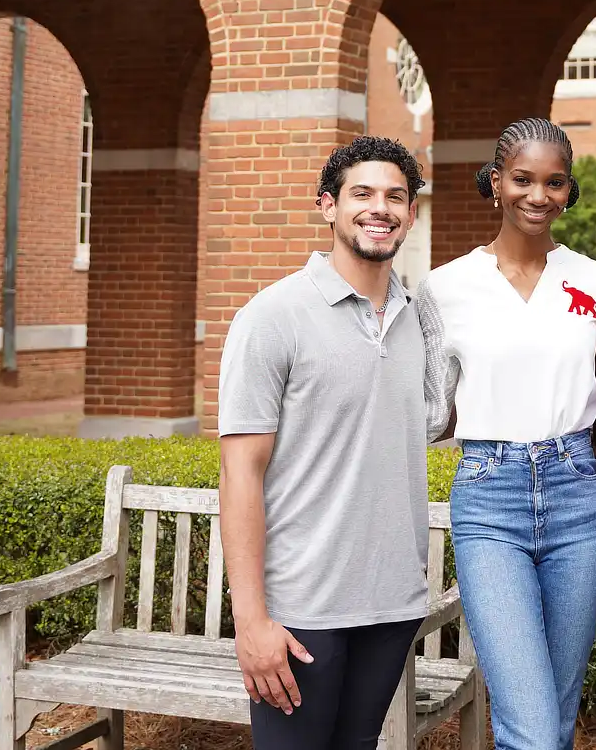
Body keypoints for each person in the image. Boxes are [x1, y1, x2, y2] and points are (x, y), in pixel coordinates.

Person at [216, 136, 450, 750]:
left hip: (390, 603)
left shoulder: (418, 318)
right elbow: (240, 470)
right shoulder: (272, 317)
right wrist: (252, 620)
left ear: (412, 213)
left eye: (397, 196)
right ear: (328, 206)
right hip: (301, 610)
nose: (381, 208)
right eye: (363, 194)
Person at [415, 117, 596, 750]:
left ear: (568, 190)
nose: (538, 195)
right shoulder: (443, 288)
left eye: (554, 182)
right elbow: (429, 411)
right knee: (530, 723)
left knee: (553, 716)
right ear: (496, 182)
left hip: (577, 492)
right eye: (522, 179)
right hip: (489, 496)